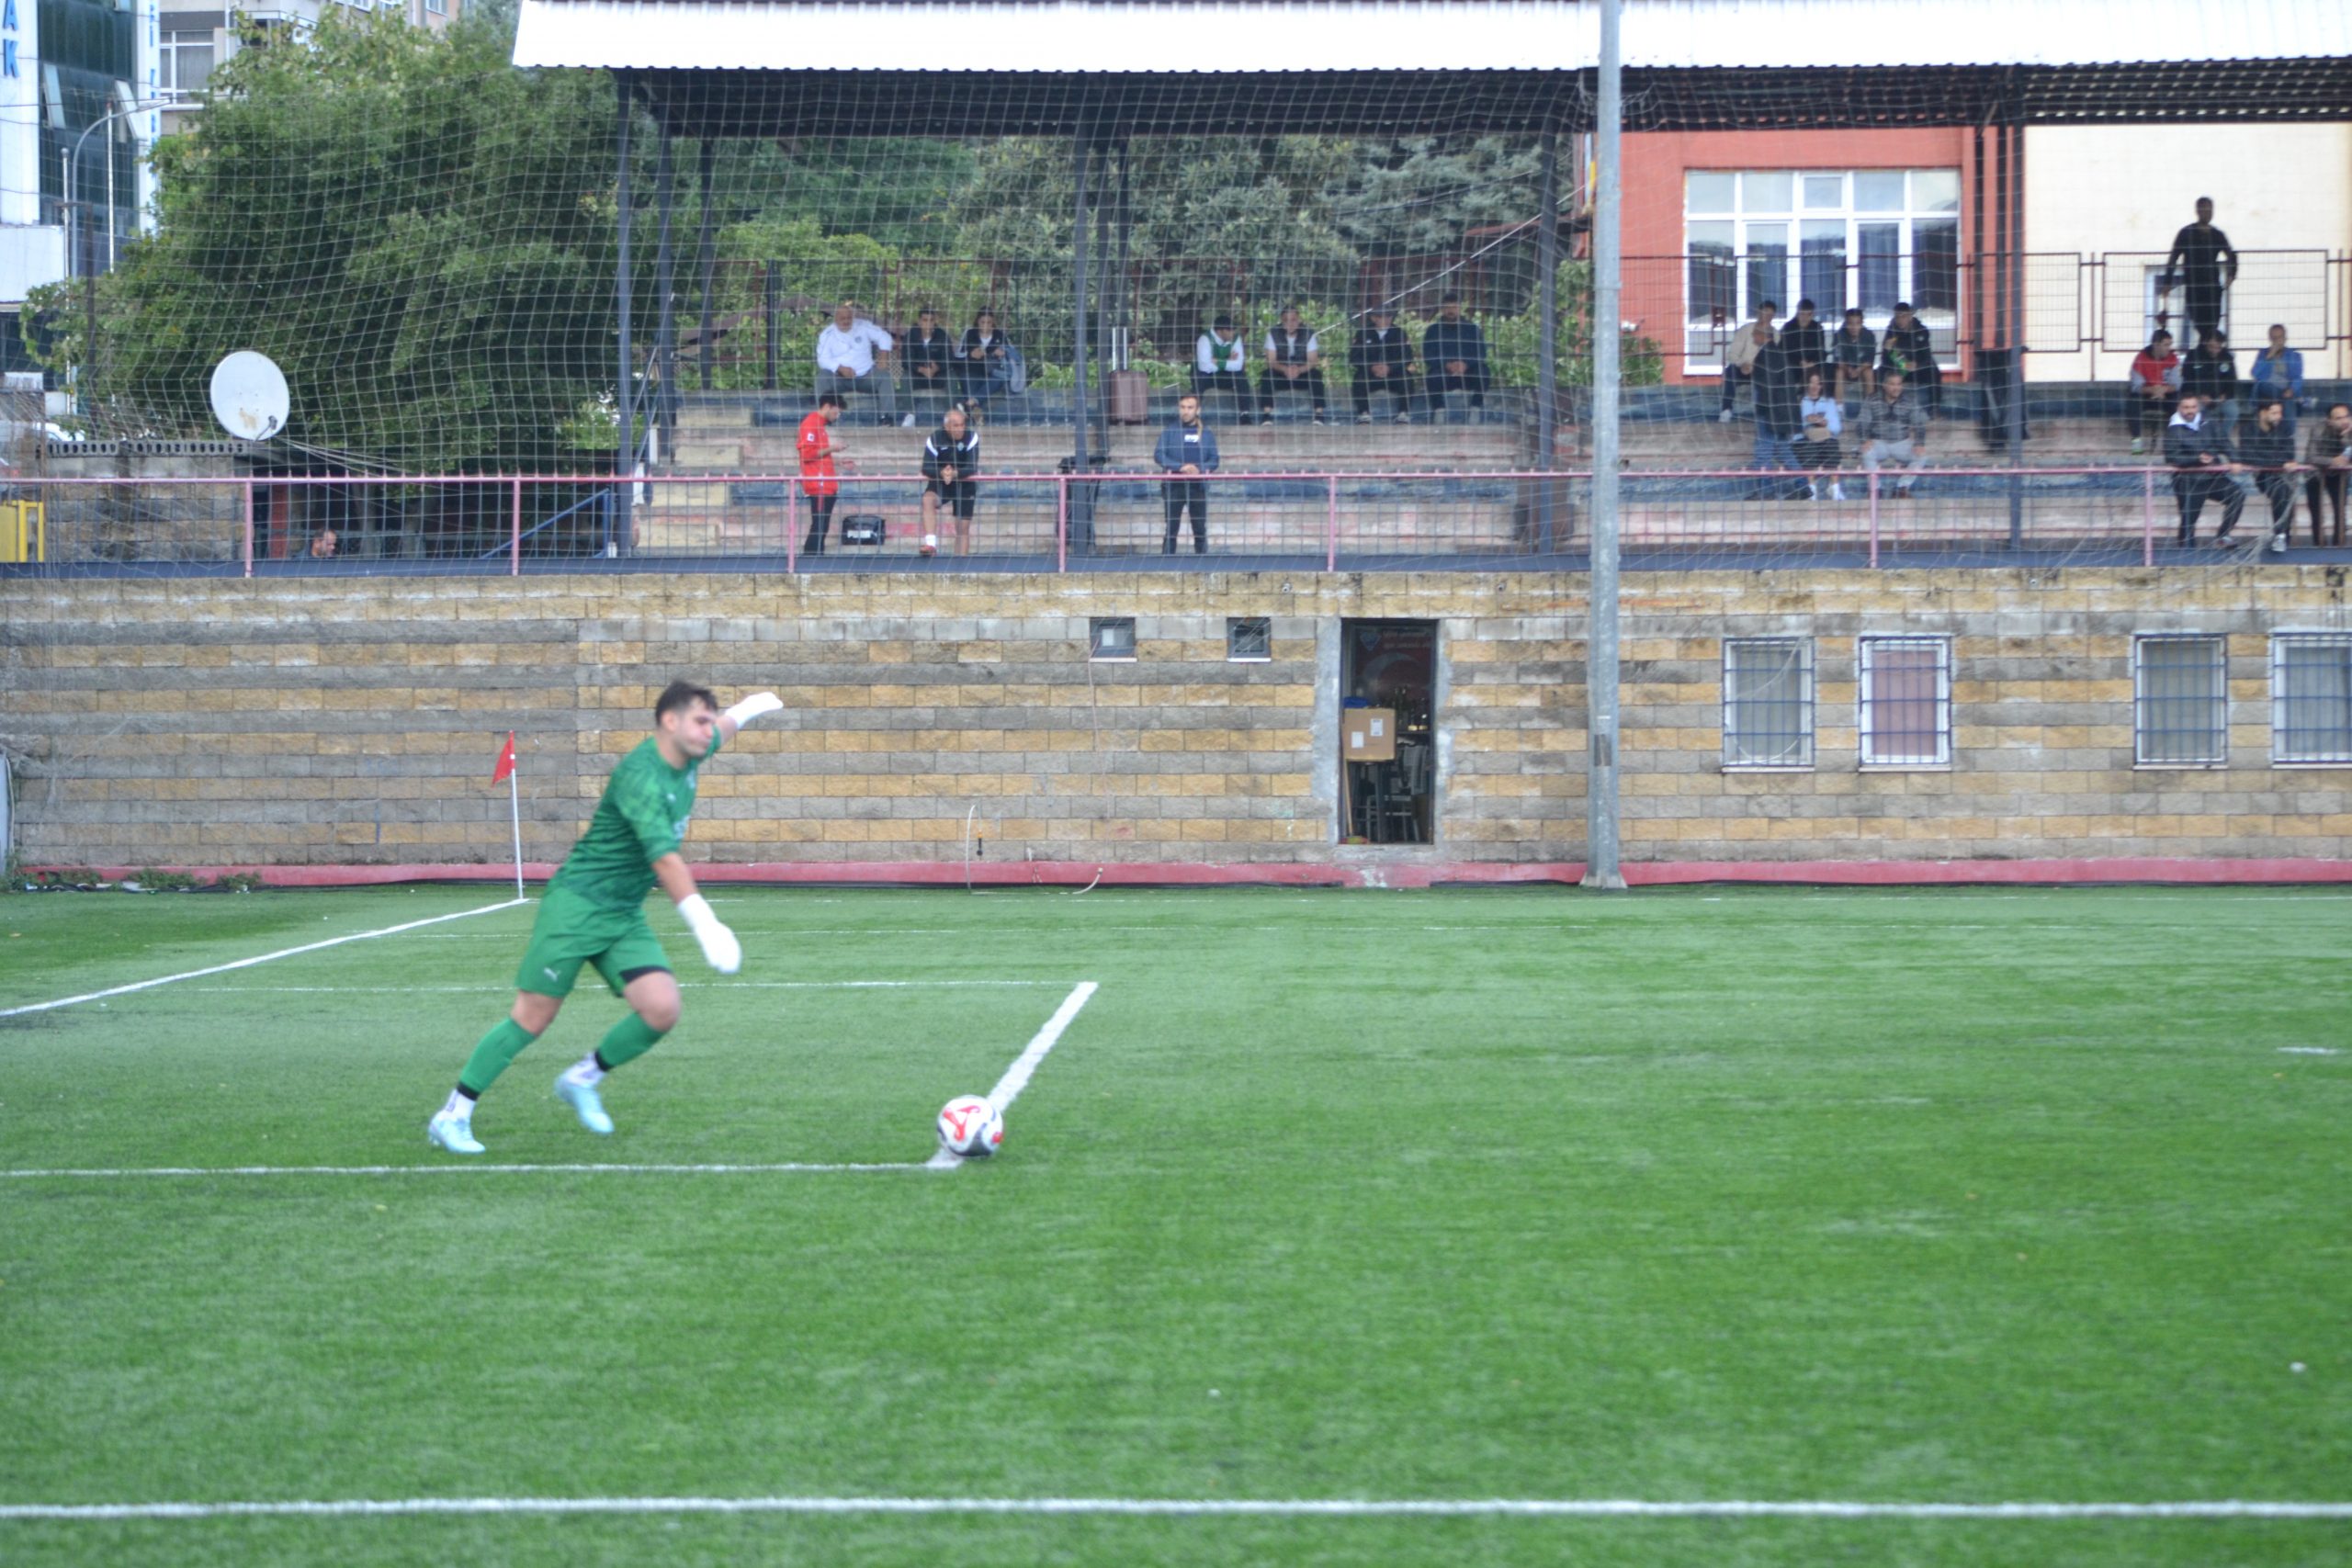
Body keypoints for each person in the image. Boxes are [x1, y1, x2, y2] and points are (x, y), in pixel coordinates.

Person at [426, 681, 784, 1156]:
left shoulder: (692, 748)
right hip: (576, 906)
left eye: (708, 721)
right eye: (699, 721)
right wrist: (706, 924)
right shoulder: (642, 776)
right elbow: (664, 859)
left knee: (661, 1008)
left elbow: (724, 728)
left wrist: (750, 707)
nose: (708, 730)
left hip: (621, 912)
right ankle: (453, 1114)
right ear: (669, 722)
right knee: (533, 1018)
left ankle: (582, 1078)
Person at [2163, 392, 2245, 547]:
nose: (2190, 411)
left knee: (2237, 495)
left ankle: (2223, 535)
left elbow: (2224, 442)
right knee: (2188, 524)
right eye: (2186, 407)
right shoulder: (2172, 430)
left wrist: (2235, 459)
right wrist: (2197, 458)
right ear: (2179, 408)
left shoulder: (2209, 421)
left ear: (2198, 407)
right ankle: (2186, 554)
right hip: (2188, 481)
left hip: (2213, 477)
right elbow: (2172, 457)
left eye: (2193, 407)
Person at [2161, 197, 2237, 346]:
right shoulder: (2186, 233)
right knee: (2200, 325)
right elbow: (2173, 258)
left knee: (2212, 326)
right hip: (2194, 288)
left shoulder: (2217, 234)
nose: (2208, 213)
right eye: (2204, 210)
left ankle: (2208, 350)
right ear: (2197, 211)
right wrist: (2167, 282)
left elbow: (2231, 255)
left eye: (2210, 210)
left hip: (2213, 288)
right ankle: (2206, 351)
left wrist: (2231, 274)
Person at [2237, 399, 2307, 554]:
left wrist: (2270, 458)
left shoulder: (2284, 428)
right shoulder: (2248, 429)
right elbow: (2247, 456)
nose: (2279, 416)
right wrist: (2279, 461)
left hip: (2284, 475)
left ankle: (2281, 535)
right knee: (2280, 490)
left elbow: (2289, 454)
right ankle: (2281, 535)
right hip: (2263, 475)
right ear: (2262, 413)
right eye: (2274, 413)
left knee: (2285, 492)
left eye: (2280, 413)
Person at [815, 299, 899, 426]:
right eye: (842, 318)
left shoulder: (863, 326)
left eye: (849, 318)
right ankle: (824, 420)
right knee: (822, 377)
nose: (846, 321)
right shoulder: (827, 334)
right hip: (839, 379)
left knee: (885, 377)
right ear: (835, 319)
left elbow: (884, 337)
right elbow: (822, 359)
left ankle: (886, 419)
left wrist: (883, 357)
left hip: (866, 376)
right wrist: (840, 368)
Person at [1154, 391, 1218, 556]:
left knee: (1200, 529)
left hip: (1197, 486)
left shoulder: (1206, 433)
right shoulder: (1170, 431)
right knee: (1171, 529)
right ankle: (1166, 563)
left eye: (1190, 407)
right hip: (1174, 485)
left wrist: (1199, 469)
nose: (1186, 411)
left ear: (1198, 410)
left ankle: (1202, 564)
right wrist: (1180, 467)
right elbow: (1159, 455)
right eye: (1182, 407)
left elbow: (1214, 459)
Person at [1747, 327, 1804, 499]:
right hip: (1782, 414)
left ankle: (1766, 491)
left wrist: (1761, 410)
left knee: (1763, 450)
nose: (1752, 336)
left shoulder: (1766, 355)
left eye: (1754, 333)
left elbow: (1766, 386)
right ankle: (1803, 486)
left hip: (1770, 413)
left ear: (1763, 335)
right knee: (1783, 450)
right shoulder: (1778, 353)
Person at [1856, 370, 1929, 499]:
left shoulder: (1909, 401)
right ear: (1884, 385)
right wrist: (1865, 440)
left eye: (1899, 384)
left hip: (1901, 442)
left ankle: (1902, 487)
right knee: (1866, 452)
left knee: (1922, 456)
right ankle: (1875, 489)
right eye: (1892, 384)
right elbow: (1862, 423)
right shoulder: (1872, 400)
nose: (1896, 388)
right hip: (1878, 442)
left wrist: (1919, 443)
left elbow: (1919, 423)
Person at [920, 403, 981, 557]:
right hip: (942, 481)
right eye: (956, 426)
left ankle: (960, 565)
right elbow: (926, 467)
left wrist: (954, 473)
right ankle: (931, 544)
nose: (960, 429)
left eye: (962, 425)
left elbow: (972, 467)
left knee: (962, 528)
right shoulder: (935, 438)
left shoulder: (971, 437)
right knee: (927, 499)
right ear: (946, 426)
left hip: (965, 484)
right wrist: (942, 473)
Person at [1423, 294, 1490, 418]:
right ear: (1442, 309)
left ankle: (1475, 408)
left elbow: (1481, 353)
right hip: (1444, 374)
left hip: (1467, 374)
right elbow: (1428, 355)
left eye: (1454, 307)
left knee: (1484, 371)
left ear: (1460, 308)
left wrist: (1466, 364)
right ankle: (1439, 410)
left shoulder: (1472, 329)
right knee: (1432, 375)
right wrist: (1447, 365)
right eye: (1447, 307)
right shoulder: (1433, 330)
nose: (1451, 311)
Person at [1258, 306, 1328, 425]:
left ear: (1299, 320)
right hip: (1281, 373)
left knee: (1316, 375)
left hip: (1301, 373)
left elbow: (1313, 361)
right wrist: (1285, 369)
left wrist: (1299, 370)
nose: (1290, 323)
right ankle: (1266, 415)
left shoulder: (1309, 333)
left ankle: (1319, 414)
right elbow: (1271, 361)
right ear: (1281, 320)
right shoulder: (1273, 333)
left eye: (1293, 319)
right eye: (1286, 320)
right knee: (1266, 375)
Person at [1351, 305, 1418, 423]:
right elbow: (1354, 357)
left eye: (1388, 316)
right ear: (1373, 318)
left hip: (1393, 374)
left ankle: (1403, 413)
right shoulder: (1363, 333)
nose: (1386, 319)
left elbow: (1407, 357)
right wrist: (1371, 367)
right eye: (1381, 316)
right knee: (1359, 378)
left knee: (1407, 378)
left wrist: (1390, 368)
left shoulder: (1399, 333)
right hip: (1370, 374)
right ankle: (1364, 413)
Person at [797, 392, 844, 555]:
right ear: (827, 406)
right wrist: (833, 448)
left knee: (822, 524)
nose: (837, 416)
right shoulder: (811, 424)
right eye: (836, 412)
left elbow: (818, 455)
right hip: (818, 484)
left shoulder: (819, 425)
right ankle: (811, 558)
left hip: (825, 483)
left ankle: (815, 556)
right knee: (819, 524)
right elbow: (807, 454)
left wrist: (836, 462)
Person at [1716, 299, 1777, 422]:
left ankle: (1767, 412)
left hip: (1763, 370)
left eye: (1771, 314)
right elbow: (1732, 354)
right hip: (1743, 368)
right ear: (1759, 313)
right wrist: (1742, 364)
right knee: (1730, 371)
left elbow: (1775, 358)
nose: (1767, 317)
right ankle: (1726, 410)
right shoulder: (1745, 330)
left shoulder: (1775, 334)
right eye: (1765, 312)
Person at [1877, 301, 1939, 417]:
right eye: (1898, 317)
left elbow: (1926, 355)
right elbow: (1885, 358)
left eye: (1904, 316)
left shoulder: (1921, 331)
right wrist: (1902, 363)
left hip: (1917, 369)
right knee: (1880, 372)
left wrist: (1917, 365)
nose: (1900, 320)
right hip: (1900, 368)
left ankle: (1934, 409)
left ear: (1910, 316)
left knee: (1933, 369)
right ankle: (1881, 408)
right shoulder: (1891, 332)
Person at [2125, 331, 2181, 456]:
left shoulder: (2173, 358)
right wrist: (2152, 390)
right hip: (2147, 396)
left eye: (2170, 344)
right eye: (2166, 345)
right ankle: (2137, 445)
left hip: (2166, 396)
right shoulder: (2141, 358)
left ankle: (2172, 445)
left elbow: (2176, 384)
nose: (2169, 348)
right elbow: (2136, 385)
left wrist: (2164, 390)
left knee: (2177, 402)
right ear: (2156, 344)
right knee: (2133, 401)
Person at [2304, 403, 2351, 547]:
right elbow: (2310, 457)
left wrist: (2346, 438)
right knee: (2316, 510)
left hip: (2339, 475)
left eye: (2346, 417)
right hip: (2316, 473)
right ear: (2329, 421)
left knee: (2340, 509)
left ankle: (2339, 544)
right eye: (2338, 418)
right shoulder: (2318, 429)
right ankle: (2319, 545)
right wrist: (2332, 461)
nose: (2344, 421)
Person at [1793, 371, 1845, 501]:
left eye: (1818, 383)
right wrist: (1807, 421)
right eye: (1812, 382)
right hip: (1804, 439)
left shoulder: (1829, 402)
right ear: (1806, 384)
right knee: (1808, 448)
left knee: (1832, 445)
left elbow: (1836, 428)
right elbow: (1794, 430)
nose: (1815, 386)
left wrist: (1823, 423)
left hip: (1825, 438)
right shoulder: (1799, 402)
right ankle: (1812, 490)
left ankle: (1834, 488)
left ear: (1822, 385)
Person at [900, 304, 956, 422]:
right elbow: (906, 361)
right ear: (919, 322)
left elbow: (949, 359)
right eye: (925, 320)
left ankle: (950, 415)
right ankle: (909, 415)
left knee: (952, 377)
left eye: (931, 320)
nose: (928, 324)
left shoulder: (942, 335)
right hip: (918, 376)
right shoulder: (911, 336)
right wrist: (921, 369)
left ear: (935, 322)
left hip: (937, 376)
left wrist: (937, 368)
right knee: (905, 377)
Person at [2248, 323, 2305, 437]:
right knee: (2265, 386)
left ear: (2285, 338)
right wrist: (2269, 356)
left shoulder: (2294, 356)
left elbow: (2298, 377)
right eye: (2274, 338)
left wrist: (2292, 389)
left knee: (2288, 399)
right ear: (2270, 339)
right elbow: (2255, 374)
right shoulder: (2263, 354)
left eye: (2280, 337)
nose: (2277, 341)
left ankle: (2287, 433)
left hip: (2286, 389)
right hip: (2266, 387)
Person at [2179, 329, 2240, 434]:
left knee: (2233, 411)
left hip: (2221, 399)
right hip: (2198, 398)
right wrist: (2198, 396)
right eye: (2211, 347)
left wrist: (2225, 396)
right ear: (2205, 343)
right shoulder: (2193, 356)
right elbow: (2187, 380)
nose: (2214, 351)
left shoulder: (2227, 357)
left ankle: (2223, 437)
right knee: (2195, 411)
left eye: (2218, 347)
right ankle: (2200, 437)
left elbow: (2232, 381)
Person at [957, 309, 1015, 412]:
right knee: (967, 383)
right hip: (971, 372)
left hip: (993, 374)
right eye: (982, 322)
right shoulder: (969, 334)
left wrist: (1002, 353)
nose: (985, 325)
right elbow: (958, 356)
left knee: (999, 379)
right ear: (977, 321)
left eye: (989, 322)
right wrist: (970, 355)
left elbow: (1011, 354)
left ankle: (969, 404)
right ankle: (973, 406)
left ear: (993, 322)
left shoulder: (1000, 335)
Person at [1193, 315, 1250, 414]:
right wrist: (1228, 361)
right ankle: (1194, 413)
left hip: (1224, 375)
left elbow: (1238, 365)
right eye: (1230, 330)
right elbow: (1204, 367)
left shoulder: (1236, 339)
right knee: (1200, 377)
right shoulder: (1205, 339)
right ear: (1220, 331)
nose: (1233, 333)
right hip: (1207, 377)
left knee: (1241, 376)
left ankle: (1244, 413)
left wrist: (1218, 361)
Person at [1831, 307, 1876, 412]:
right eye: (1850, 323)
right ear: (1846, 323)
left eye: (1857, 323)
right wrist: (1848, 369)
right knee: (1838, 372)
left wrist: (1858, 370)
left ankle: (1870, 408)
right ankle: (1839, 409)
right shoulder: (1839, 335)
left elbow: (1870, 361)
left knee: (1869, 372)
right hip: (1846, 369)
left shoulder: (1869, 335)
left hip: (1862, 369)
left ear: (1862, 323)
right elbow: (1838, 360)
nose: (1854, 327)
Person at [1780, 298, 1828, 383]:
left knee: (1826, 369)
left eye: (1808, 314)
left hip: (1812, 364)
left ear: (1813, 315)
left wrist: (1812, 363)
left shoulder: (1817, 328)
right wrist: (1799, 362)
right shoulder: (1788, 328)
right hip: (1792, 365)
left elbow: (1821, 351)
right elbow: (1784, 351)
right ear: (1797, 313)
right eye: (1802, 314)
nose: (1805, 318)